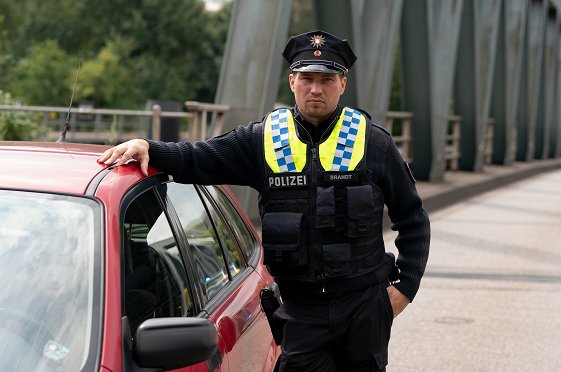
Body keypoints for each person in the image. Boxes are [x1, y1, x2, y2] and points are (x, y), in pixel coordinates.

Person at [98, 30, 430, 372]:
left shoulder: (373, 144)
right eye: (307, 78)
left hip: (364, 308)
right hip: (302, 310)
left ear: (342, 84)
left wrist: (406, 287)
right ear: (292, 81)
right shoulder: (263, 141)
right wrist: (150, 148)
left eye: (327, 79)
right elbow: (198, 158)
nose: (316, 88)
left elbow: (413, 217)